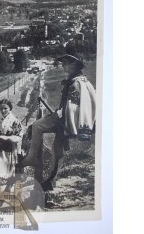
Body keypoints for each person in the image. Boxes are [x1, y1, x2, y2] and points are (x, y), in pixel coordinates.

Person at [21, 54, 96, 188]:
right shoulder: (79, 80)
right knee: (57, 148)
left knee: (37, 126)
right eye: (63, 63)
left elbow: (74, 106)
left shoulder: (77, 83)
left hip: (67, 119)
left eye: (66, 63)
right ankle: (51, 181)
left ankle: (32, 157)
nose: (63, 66)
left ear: (74, 65)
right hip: (66, 118)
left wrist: (59, 114)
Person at [0, 99, 23, 190]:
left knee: (9, 167)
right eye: (1, 109)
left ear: (10, 108)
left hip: (8, 148)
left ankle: (8, 186)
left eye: (5, 108)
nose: (3, 111)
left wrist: (7, 138)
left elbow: (19, 135)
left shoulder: (14, 120)